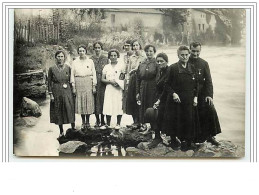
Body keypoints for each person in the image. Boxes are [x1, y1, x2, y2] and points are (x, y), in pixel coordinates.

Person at [162, 46, 199, 151]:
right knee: (174, 120)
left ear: (189, 55)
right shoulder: (173, 68)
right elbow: (166, 84)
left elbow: (196, 85)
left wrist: (195, 97)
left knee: (188, 120)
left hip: (188, 100)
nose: (185, 57)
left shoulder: (192, 67)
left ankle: (187, 142)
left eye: (186, 55)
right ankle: (173, 141)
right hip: (175, 100)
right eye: (182, 55)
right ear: (178, 55)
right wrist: (173, 94)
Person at [188, 42, 221, 145]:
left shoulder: (204, 63)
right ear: (189, 50)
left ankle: (210, 136)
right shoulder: (185, 61)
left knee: (209, 108)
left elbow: (208, 81)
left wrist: (209, 95)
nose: (195, 53)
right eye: (193, 51)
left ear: (200, 51)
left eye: (197, 51)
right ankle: (192, 138)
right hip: (189, 92)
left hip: (202, 92)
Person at [48, 50, 75, 138]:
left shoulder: (68, 67)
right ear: (56, 58)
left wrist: (73, 90)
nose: (60, 58)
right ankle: (61, 131)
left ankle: (73, 127)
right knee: (58, 108)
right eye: (58, 56)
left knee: (69, 107)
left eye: (62, 56)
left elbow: (71, 80)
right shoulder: (52, 69)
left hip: (67, 89)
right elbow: (49, 83)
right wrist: (51, 94)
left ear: (64, 58)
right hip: (56, 90)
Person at [71, 45, 97, 130]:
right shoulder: (75, 62)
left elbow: (94, 73)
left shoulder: (90, 61)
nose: (81, 52)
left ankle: (88, 122)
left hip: (88, 82)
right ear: (78, 52)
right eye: (80, 51)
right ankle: (83, 122)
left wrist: (94, 85)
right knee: (81, 102)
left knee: (88, 101)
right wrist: (73, 86)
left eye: (83, 51)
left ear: (85, 51)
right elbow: (72, 75)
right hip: (78, 82)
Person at [136, 45, 159, 131]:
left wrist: (156, 90)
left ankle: (153, 127)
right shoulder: (142, 63)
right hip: (143, 86)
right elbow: (138, 78)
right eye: (147, 51)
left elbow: (158, 78)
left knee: (151, 106)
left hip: (152, 87)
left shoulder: (157, 63)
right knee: (142, 105)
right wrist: (137, 92)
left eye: (151, 51)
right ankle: (144, 125)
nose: (149, 53)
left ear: (154, 52)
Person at [125, 40, 146, 127]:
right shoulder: (131, 57)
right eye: (133, 45)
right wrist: (127, 81)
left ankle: (142, 122)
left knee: (140, 99)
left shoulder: (144, 56)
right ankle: (135, 121)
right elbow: (128, 71)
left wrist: (136, 70)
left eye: (137, 45)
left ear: (140, 46)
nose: (135, 47)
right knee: (132, 100)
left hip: (141, 79)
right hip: (133, 79)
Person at [102, 49, 124, 129]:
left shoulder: (121, 66)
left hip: (118, 88)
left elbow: (122, 77)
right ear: (109, 57)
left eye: (115, 55)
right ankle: (108, 124)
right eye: (111, 55)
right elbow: (102, 79)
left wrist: (118, 83)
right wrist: (110, 82)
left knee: (118, 104)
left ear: (117, 56)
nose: (113, 57)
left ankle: (118, 124)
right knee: (108, 104)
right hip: (109, 87)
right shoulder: (106, 67)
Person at [90, 42, 109, 129]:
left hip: (103, 81)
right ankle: (97, 120)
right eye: (96, 48)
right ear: (93, 49)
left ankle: (103, 120)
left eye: (99, 48)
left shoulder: (105, 59)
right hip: (94, 80)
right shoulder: (91, 59)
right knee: (95, 100)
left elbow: (108, 70)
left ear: (101, 48)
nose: (97, 49)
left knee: (103, 100)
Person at [122, 40, 133, 113]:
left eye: (128, 45)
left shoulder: (134, 56)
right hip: (126, 77)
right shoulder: (125, 56)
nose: (126, 47)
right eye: (125, 45)